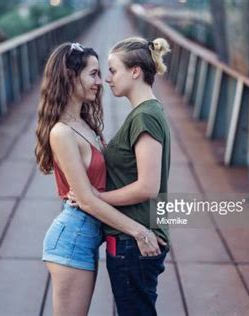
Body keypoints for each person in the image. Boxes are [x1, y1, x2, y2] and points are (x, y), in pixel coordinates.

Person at [35, 42, 165, 316]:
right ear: (71, 77)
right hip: (73, 238)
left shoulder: (85, 124)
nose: (101, 81)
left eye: (103, 73)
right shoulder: (61, 133)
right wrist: (139, 231)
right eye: (93, 74)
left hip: (89, 237)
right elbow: (86, 200)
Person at [69, 36, 172, 316]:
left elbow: (148, 186)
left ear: (135, 71)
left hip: (135, 241)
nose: (107, 79)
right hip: (135, 238)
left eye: (113, 70)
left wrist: (95, 198)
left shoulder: (144, 117)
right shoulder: (146, 113)